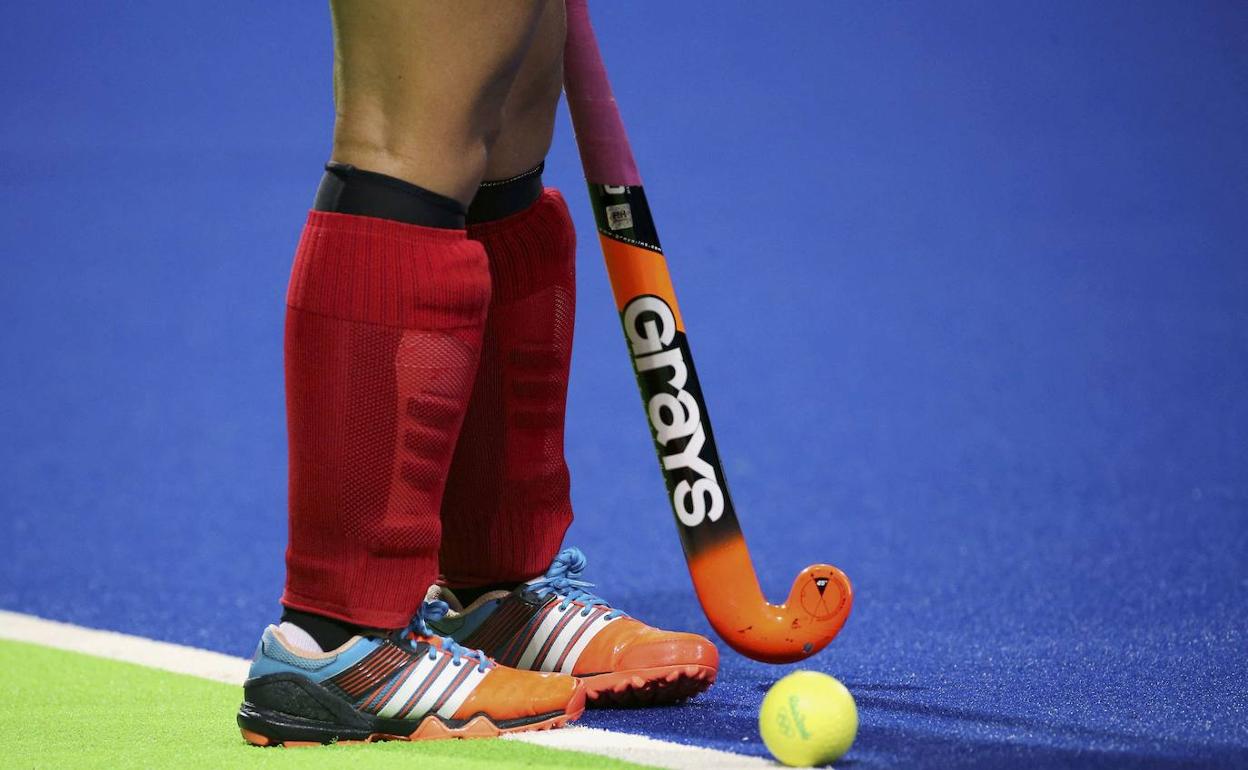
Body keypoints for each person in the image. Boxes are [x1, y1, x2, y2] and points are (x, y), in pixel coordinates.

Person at [237, 1, 718, 746]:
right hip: (341, 640)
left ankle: (490, 595)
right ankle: (338, 637)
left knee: (508, 116)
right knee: (411, 132)